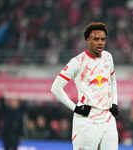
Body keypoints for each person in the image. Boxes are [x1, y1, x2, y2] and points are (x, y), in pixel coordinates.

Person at [51, 22, 119, 150]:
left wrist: (114, 103)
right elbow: (56, 87)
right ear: (87, 40)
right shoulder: (77, 62)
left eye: (103, 39)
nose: (100, 42)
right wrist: (75, 108)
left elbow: (113, 81)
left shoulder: (108, 57)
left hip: (107, 118)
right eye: (96, 39)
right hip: (87, 120)